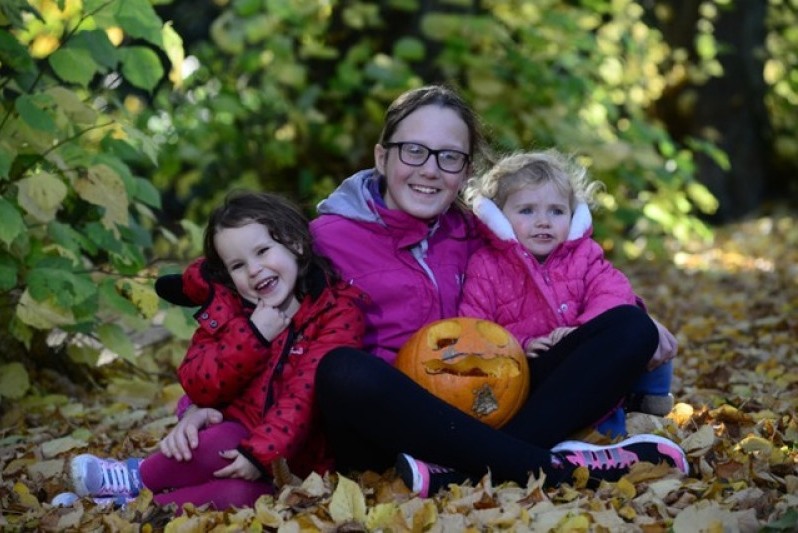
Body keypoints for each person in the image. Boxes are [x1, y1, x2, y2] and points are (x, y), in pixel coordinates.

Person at [308, 84, 686, 498]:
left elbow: (563, 272)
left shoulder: (477, 231)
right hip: (391, 428)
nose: (430, 170)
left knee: (629, 327)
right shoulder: (328, 238)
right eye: (413, 151)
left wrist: (630, 310)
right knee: (341, 370)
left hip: (490, 403)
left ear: (466, 170)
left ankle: (460, 474)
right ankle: (552, 469)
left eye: (449, 157)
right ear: (382, 157)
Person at [64, 192, 366, 510]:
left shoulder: (337, 311)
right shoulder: (229, 310)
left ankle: (125, 508)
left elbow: (304, 396)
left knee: (242, 499)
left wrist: (261, 454)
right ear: (227, 274)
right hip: (235, 434)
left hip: (299, 461)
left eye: (263, 251)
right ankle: (135, 479)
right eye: (238, 265)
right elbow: (198, 381)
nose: (254, 270)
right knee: (219, 442)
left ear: (296, 245)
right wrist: (253, 335)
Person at [459, 149, 674, 438]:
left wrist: (581, 332)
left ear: (571, 214)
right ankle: (576, 433)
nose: (543, 221)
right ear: (499, 216)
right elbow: (475, 330)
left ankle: (642, 407)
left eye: (556, 211)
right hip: (528, 371)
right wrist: (521, 345)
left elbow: (612, 294)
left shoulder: (584, 255)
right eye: (527, 210)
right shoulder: (486, 265)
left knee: (644, 328)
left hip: (582, 355)